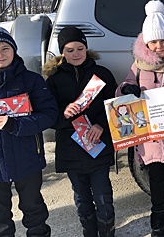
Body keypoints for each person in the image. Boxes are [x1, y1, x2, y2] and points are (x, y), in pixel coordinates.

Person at [0, 26, 58, 237]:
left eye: (5, 48)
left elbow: (49, 114)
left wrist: (17, 125)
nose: (0, 55)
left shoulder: (31, 80)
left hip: (27, 157)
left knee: (34, 211)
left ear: (14, 50)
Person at [115, 0, 164, 237]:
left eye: (163, 41)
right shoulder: (138, 66)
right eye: (153, 41)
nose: (159, 46)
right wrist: (126, 90)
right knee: (155, 177)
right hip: (149, 137)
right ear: (146, 42)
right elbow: (125, 85)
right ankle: (158, 216)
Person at [43, 26, 117, 237]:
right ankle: (89, 233)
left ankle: (107, 233)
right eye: (69, 50)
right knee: (81, 197)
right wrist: (64, 113)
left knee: (103, 195)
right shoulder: (54, 80)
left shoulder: (102, 74)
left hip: (98, 145)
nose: (75, 54)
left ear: (86, 48)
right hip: (70, 147)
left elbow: (115, 106)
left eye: (80, 48)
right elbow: (48, 115)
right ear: (62, 53)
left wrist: (101, 124)